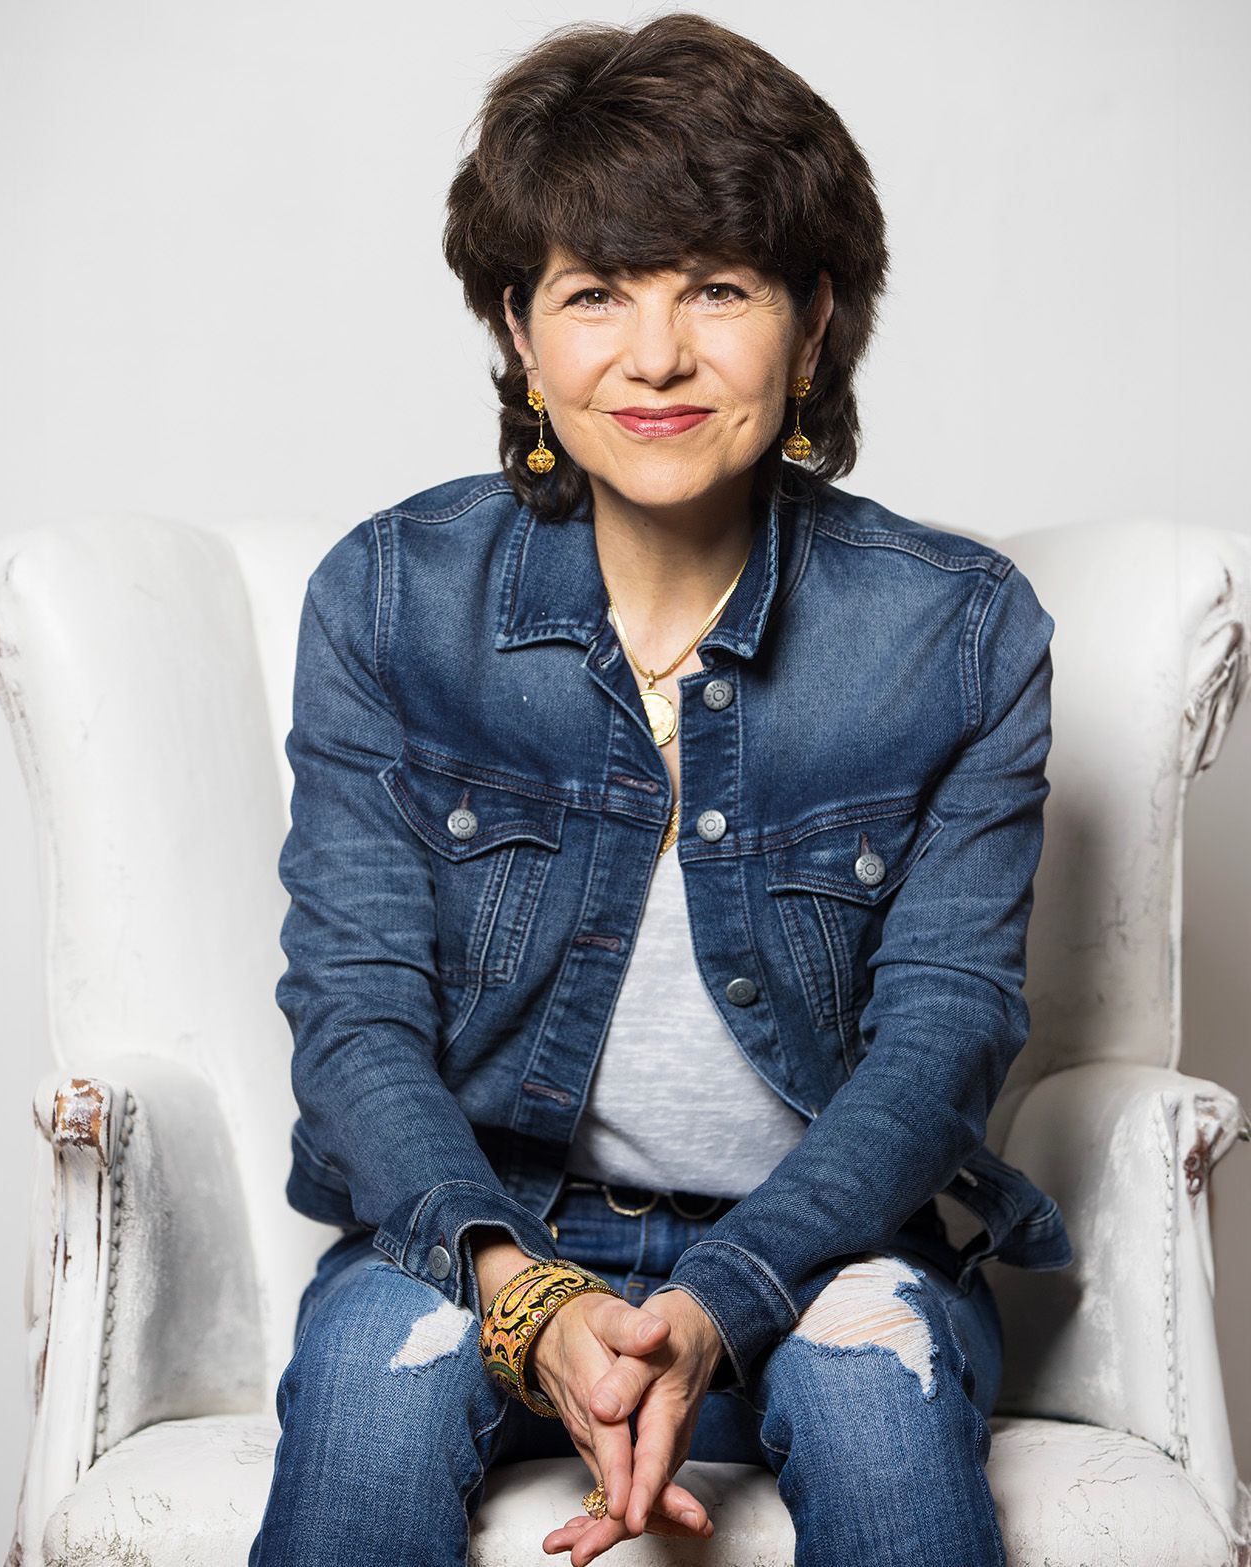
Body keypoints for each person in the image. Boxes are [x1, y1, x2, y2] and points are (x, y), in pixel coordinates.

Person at [248, 13, 1073, 1567]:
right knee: (373, 1382)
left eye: (719, 288)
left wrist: (721, 1301)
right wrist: (533, 1296)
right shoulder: (387, 602)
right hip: (479, 1241)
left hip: (829, 1253)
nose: (657, 356)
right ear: (517, 327)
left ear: (812, 322)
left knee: (876, 1389)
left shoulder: (957, 637)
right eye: (595, 294)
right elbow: (351, 1016)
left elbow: (945, 1041)